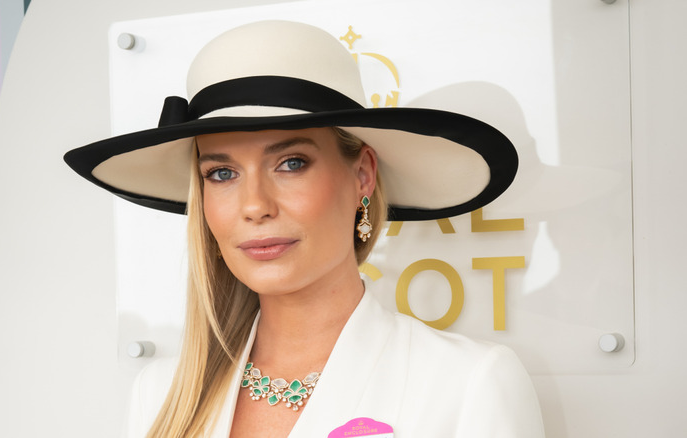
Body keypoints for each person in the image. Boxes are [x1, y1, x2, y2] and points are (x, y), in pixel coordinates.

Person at [65, 20, 544, 438]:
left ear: (362, 175)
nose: (254, 206)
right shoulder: (159, 393)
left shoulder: (469, 384)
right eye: (222, 173)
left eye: (291, 163)